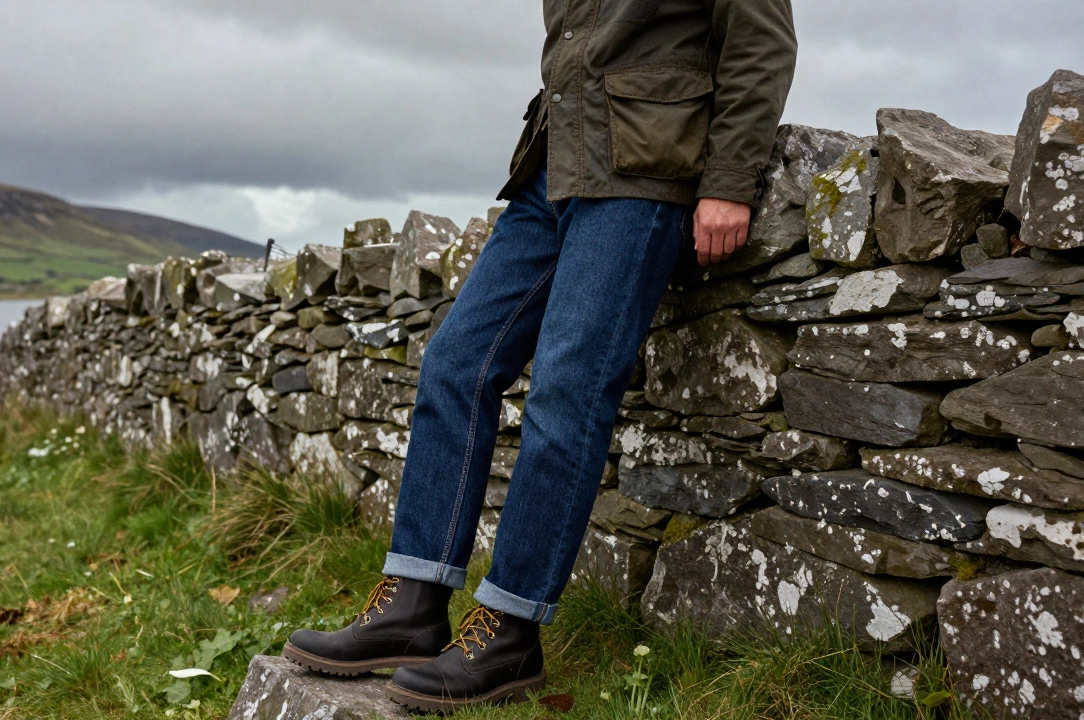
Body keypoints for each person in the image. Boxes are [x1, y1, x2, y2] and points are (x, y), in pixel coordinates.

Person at [284, 0, 797, 711]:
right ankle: (415, 600)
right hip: (552, 165)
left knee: (568, 389)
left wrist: (729, 182)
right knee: (454, 364)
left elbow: (761, 41)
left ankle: (510, 629)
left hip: (642, 175)